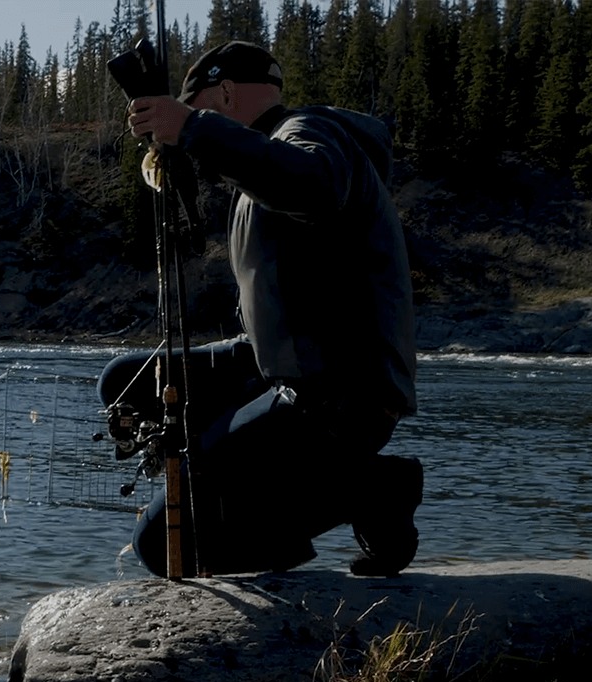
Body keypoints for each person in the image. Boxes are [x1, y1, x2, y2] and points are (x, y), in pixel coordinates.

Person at [103, 40, 422, 578]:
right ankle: (255, 499)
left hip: (341, 397)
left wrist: (192, 128)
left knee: (160, 545)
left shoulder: (309, 136)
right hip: (286, 366)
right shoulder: (263, 162)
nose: (193, 119)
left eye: (199, 105)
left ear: (227, 93)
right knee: (128, 383)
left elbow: (312, 184)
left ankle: (372, 489)